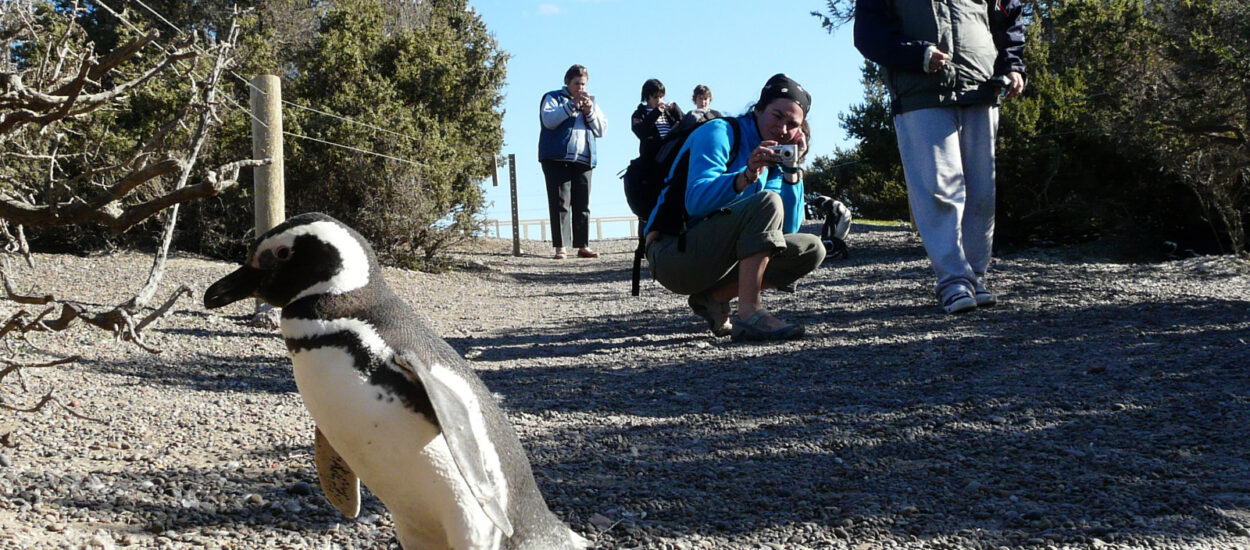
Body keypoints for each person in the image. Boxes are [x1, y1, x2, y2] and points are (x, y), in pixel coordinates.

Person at [854, 0, 1026, 313]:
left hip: (982, 88)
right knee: (939, 189)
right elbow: (868, 36)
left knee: (982, 193)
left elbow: (1008, 16)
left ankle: (975, 275)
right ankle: (953, 281)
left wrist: (1013, 66)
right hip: (920, 94)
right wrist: (916, 55)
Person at [643, 74, 826, 342]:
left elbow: (785, 231)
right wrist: (746, 175)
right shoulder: (720, 132)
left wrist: (792, 170)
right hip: (673, 254)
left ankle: (714, 298)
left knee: (810, 248)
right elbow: (695, 201)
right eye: (777, 116)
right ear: (759, 108)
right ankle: (751, 314)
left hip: (717, 257)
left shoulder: (773, 156)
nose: (782, 129)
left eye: (792, 124)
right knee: (767, 201)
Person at [538, 64, 608, 260]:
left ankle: (582, 245)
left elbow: (602, 130)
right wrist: (570, 106)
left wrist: (589, 112)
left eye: (583, 84)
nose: (580, 88)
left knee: (582, 203)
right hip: (557, 158)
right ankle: (561, 246)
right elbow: (549, 120)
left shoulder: (592, 103)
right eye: (576, 83)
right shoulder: (553, 98)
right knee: (560, 201)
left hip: (584, 159)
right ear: (567, 82)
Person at [631, 79, 684, 160]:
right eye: (655, 97)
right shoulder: (639, 114)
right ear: (647, 97)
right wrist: (656, 113)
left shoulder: (669, 112)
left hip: (672, 152)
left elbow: (685, 123)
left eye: (661, 97)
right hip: (652, 157)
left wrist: (675, 109)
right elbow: (640, 131)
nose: (659, 100)